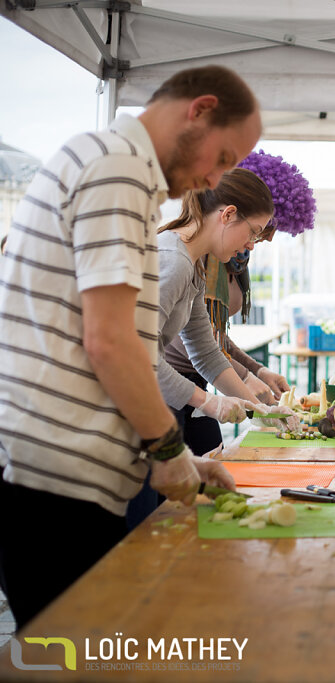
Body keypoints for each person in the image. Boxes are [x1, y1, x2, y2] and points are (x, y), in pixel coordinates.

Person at [0, 65, 258, 628]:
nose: (215, 178)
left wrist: (177, 456)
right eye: (224, 157)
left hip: (64, 476)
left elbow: (99, 345)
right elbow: (111, 343)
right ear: (200, 111)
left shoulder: (116, 169)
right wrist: (167, 450)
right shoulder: (117, 167)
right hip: (57, 485)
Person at [165, 149, 317, 455]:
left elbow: (206, 350)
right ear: (228, 214)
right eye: (254, 232)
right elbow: (139, 359)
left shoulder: (192, 265)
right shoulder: (175, 262)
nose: (252, 244)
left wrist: (261, 410)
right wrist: (208, 400)